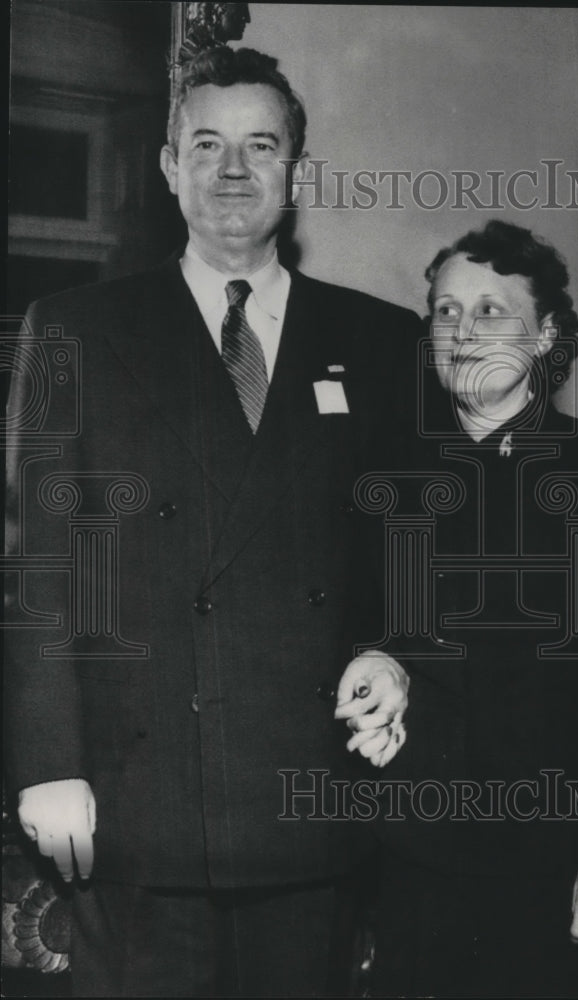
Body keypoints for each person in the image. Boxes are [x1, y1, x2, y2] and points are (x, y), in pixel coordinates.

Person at [3, 46, 417, 998]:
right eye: (206, 145)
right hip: (136, 801)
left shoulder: (379, 339)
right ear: (165, 167)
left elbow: (409, 552)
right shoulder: (76, 326)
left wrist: (397, 652)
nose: (233, 171)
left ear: (296, 173)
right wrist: (47, 764)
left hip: (309, 797)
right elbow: (44, 567)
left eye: (260, 145)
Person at [362, 221, 578, 998]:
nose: (463, 332)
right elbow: (354, 625)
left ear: (546, 337)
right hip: (413, 859)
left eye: (491, 310)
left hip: (563, 861)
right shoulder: (381, 469)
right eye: (444, 311)